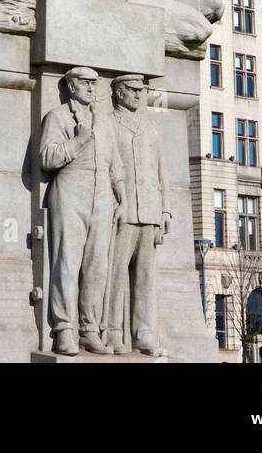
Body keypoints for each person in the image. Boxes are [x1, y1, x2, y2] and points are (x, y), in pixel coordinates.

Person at [39, 67, 125, 356]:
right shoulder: (58, 116)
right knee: (67, 263)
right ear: (71, 86)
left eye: (93, 83)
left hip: (102, 196)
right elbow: (46, 158)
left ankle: (89, 329)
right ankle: (64, 328)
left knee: (98, 266)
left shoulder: (105, 122)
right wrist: (77, 141)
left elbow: (115, 163)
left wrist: (120, 194)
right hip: (70, 193)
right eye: (84, 83)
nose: (90, 87)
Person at [105, 74, 171, 356]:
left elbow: (162, 174)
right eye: (132, 90)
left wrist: (165, 209)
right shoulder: (109, 122)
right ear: (119, 92)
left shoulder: (152, 128)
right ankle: (112, 332)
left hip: (150, 212)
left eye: (141, 91)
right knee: (115, 274)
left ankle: (144, 333)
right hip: (123, 212)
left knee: (145, 278)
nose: (138, 95)